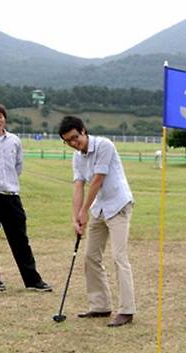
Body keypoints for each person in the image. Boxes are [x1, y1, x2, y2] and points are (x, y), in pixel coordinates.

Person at [58, 116, 136, 327]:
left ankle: (127, 311)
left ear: (83, 131)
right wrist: (76, 217)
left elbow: (97, 181)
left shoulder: (104, 145)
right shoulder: (77, 158)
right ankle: (100, 305)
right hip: (99, 208)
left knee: (119, 257)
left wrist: (84, 211)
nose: (74, 143)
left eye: (76, 138)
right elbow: (78, 186)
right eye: (68, 141)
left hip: (118, 205)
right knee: (91, 256)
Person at [0, 102, 51, 293]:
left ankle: (32, 280)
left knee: (20, 239)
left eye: (0, 116)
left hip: (12, 195)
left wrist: (9, 183)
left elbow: (18, 166)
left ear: (4, 118)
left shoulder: (14, 140)